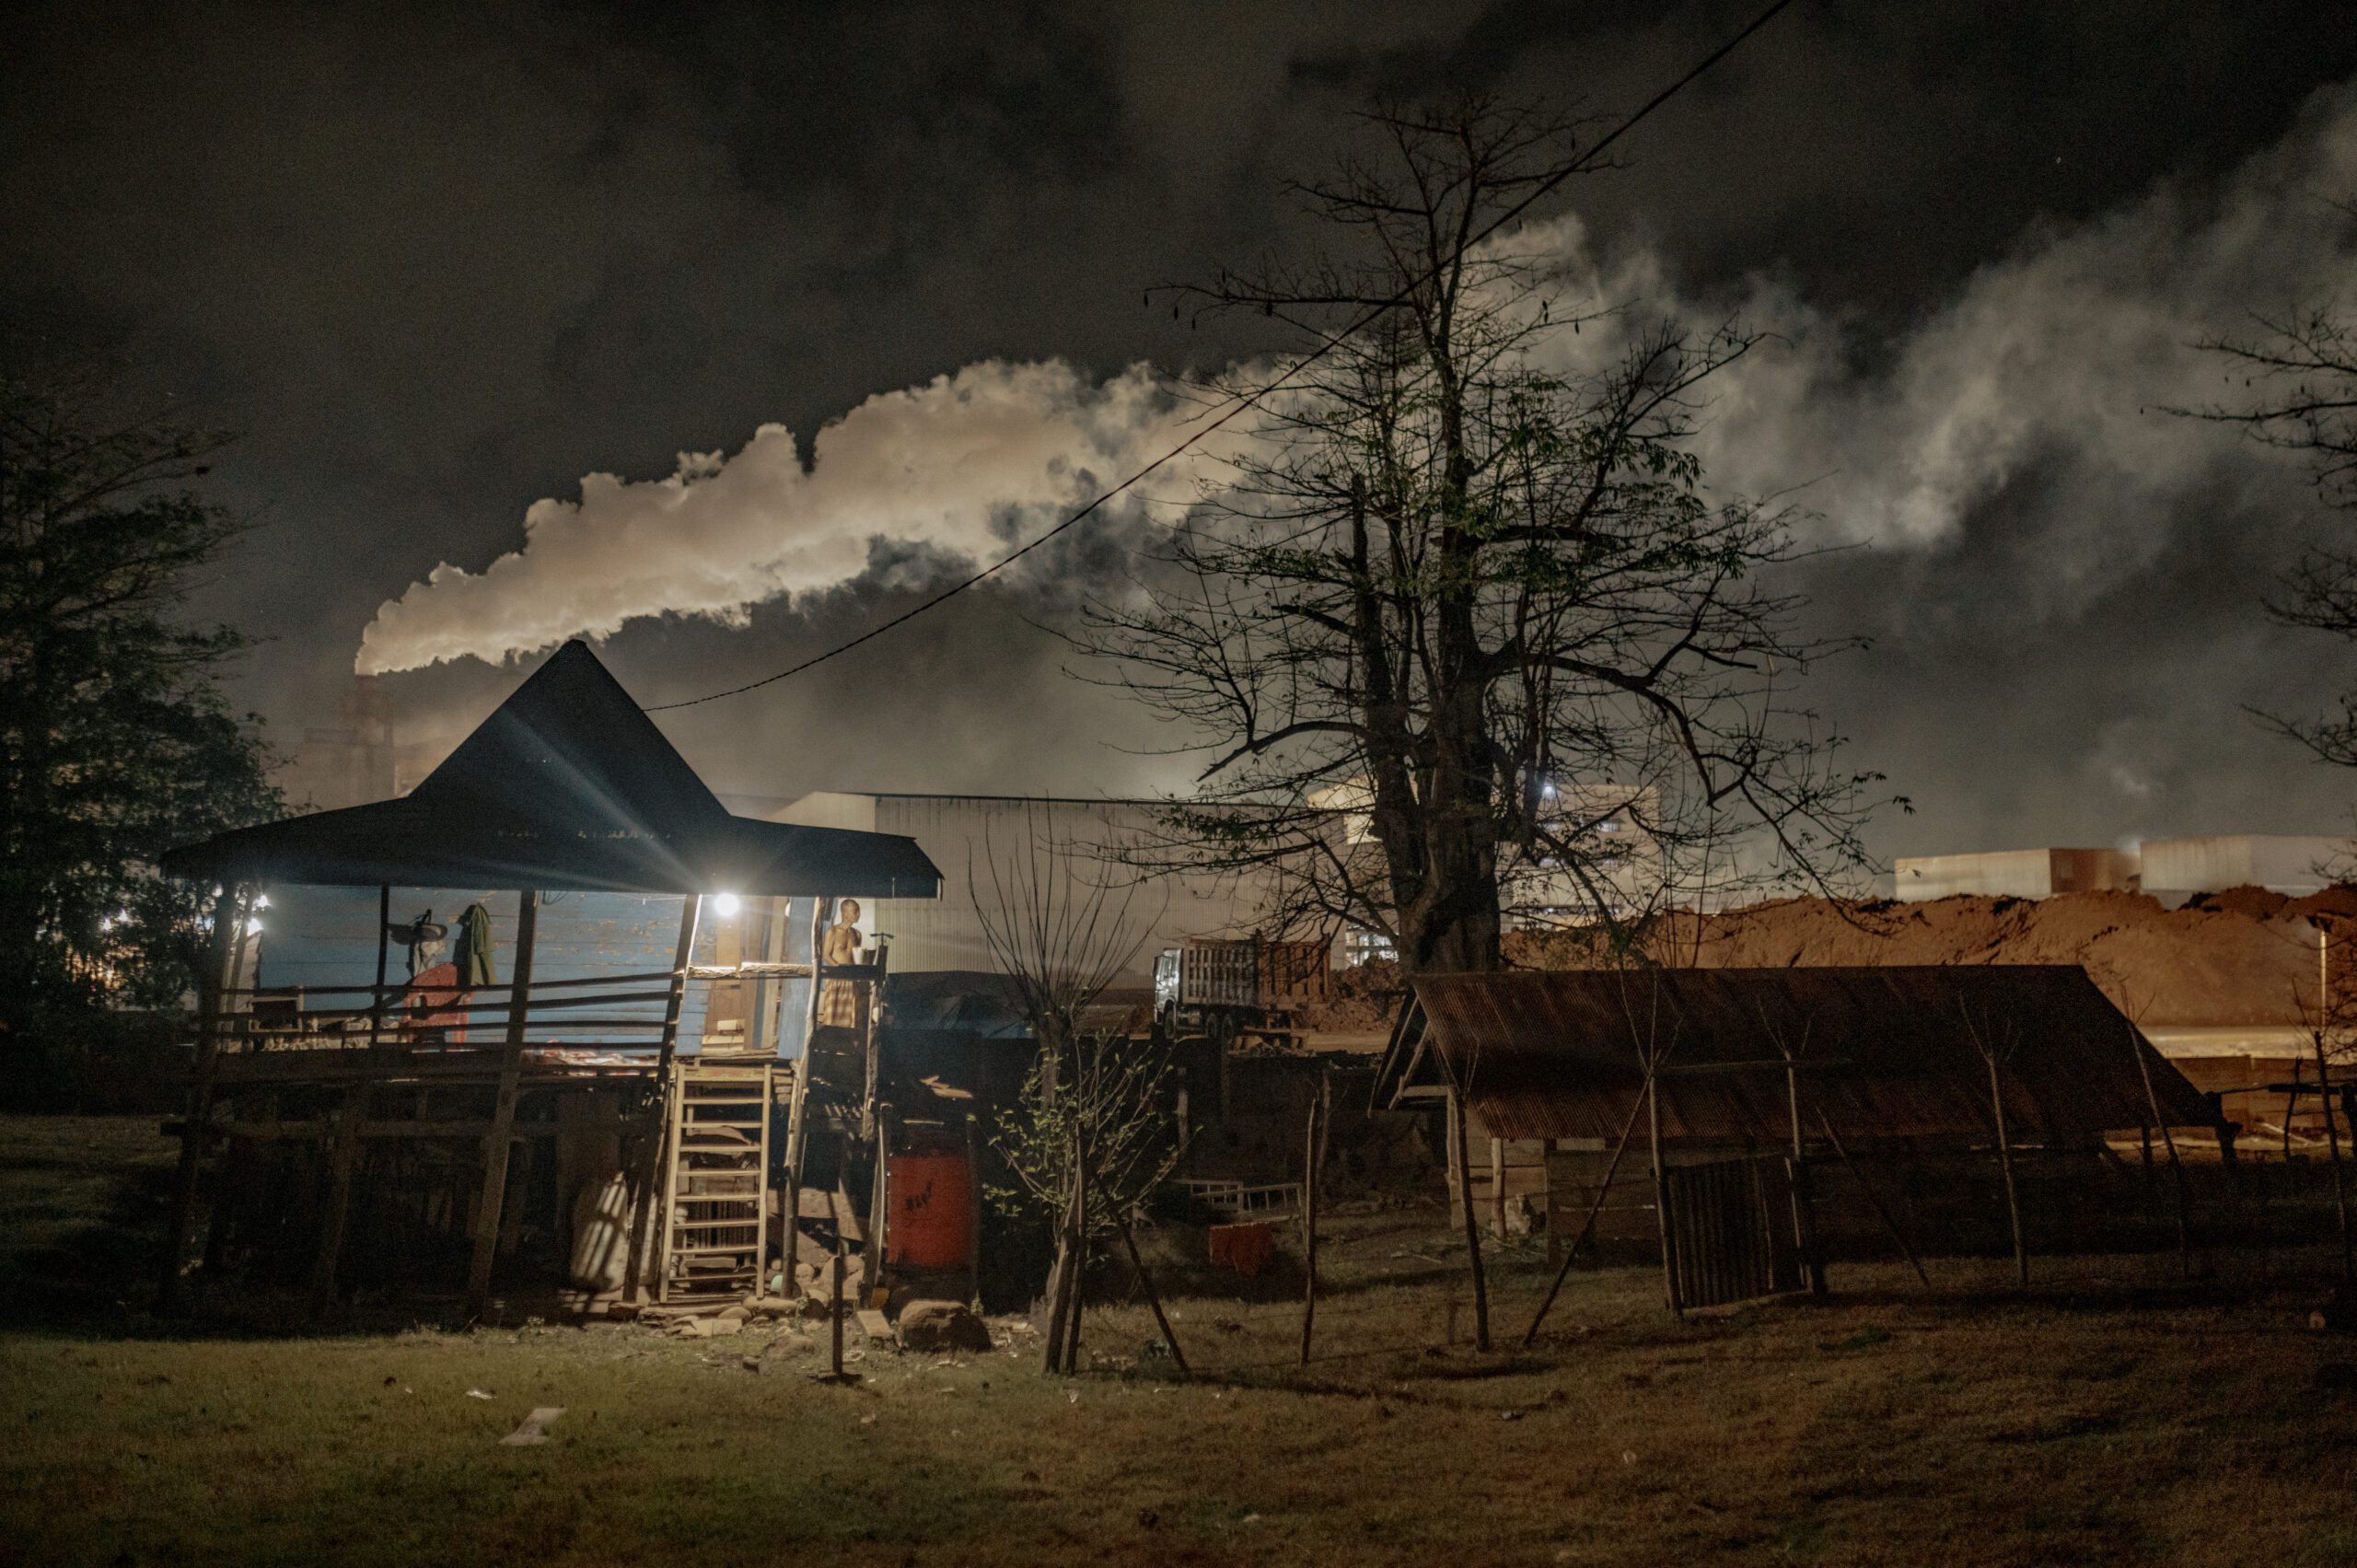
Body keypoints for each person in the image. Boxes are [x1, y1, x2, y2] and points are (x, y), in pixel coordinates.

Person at [817, 899, 865, 1028]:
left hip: (851, 979)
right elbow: (826, 955)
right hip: (836, 978)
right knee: (833, 1016)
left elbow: (857, 957)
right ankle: (831, 1041)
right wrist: (839, 968)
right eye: (855, 911)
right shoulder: (832, 932)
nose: (858, 914)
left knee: (851, 1016)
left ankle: (848, 1044)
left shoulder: (857, 934)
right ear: (844, 912)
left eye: (858, 911)